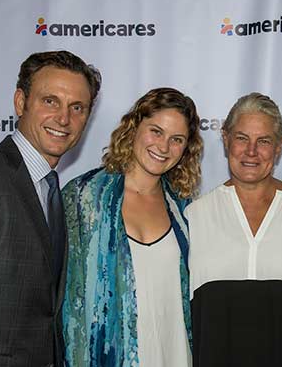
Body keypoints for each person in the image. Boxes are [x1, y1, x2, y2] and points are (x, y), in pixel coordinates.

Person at [0, 50, 101, 366]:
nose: (63, 118)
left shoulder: (51, 190)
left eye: (77, 107)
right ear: (20, 102)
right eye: (49, 101)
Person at [61, 87, 202, 366]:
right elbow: (62, 297)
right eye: (156, 131)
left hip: (175, 355)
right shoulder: (83, 198)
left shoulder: (185, 210)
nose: (163, 147)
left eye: (177, 139)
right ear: (134, 127)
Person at [187, 92, 282, 367]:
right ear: (226, 140)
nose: (251, 151)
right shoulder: (194, 214)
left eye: (263, 141)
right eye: (242, 138)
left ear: (279, 147)